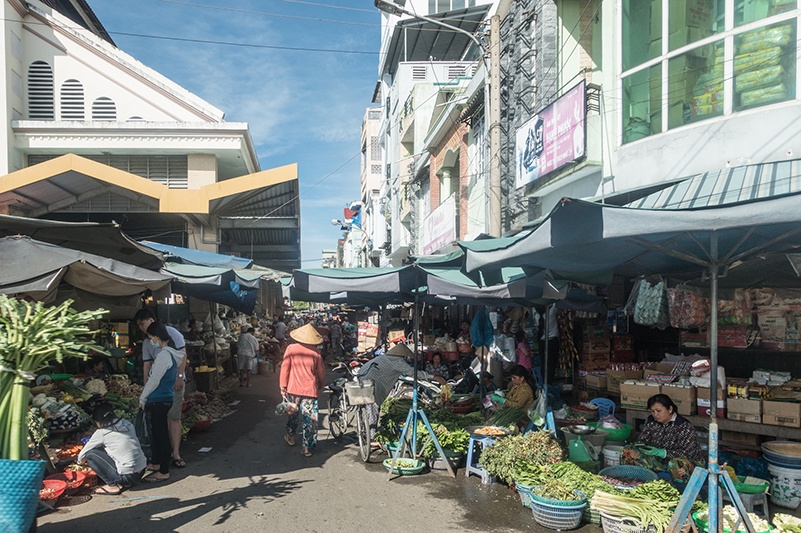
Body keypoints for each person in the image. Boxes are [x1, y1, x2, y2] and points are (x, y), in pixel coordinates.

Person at [134, 308, 188, 469]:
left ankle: (174, 455)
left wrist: (179, 377)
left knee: (173, 418)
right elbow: (146, 366)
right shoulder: (149, 344)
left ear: (151, 321)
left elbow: (182, 356)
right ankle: (160, 460)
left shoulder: (170, 338)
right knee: (161, 425)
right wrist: (146, 389)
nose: (141, 328)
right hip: (159, 391)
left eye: (142, 324)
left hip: (169, 386)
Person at [622, 394, 705, 483]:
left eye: (658, 411)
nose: (655, 414)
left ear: (670, 409)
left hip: (687, 462)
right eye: (652, 411)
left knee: (676, 464)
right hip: (660, 460)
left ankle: (681, 491)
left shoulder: (684, 426)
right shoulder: (652, 421)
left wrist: (663, 452)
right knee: (628, 451)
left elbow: (689, 453)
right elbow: (643, 439)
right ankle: (636, 483)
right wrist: (641, 447)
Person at [77, 402, 146, 495]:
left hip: (128, 476)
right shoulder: (126, 423)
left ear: (98, 421)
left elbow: (83, 454)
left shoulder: (102, 433)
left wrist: (79, 463)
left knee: (90, 454)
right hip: (141, 470)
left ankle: (112, 485)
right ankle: (127, 483)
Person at [279, 323, 326, 457]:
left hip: (293, 389)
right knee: (309, 420)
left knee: (293, 415)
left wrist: (283, 386)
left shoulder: (291, 349)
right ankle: (306, 447)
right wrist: (320, 384)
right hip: (310, 391)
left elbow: (285, 368)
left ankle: (290, 436)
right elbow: (321, 373)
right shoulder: (316, 353)